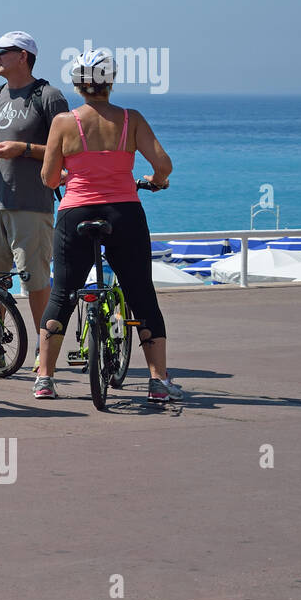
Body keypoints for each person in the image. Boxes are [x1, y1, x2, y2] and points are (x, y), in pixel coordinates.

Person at [36, 49, 183, 403]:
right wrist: (156, 180)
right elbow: (164, 165)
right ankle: (158, 382)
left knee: (61, 295)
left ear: (77, 84)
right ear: (110, 82)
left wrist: (70, 174)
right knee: (141, 294)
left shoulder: (64, 123)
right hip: (124, 213)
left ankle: (45, 378)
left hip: (76, 215)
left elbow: (48, 177)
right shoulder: (131, 120)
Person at [0, 31, 69, 368]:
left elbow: (66, 152)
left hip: (31, 203)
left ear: (23, 56)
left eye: (2, 52)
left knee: (35, 281)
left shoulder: (49, 97)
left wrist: (22, 149)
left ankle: (45, 352)